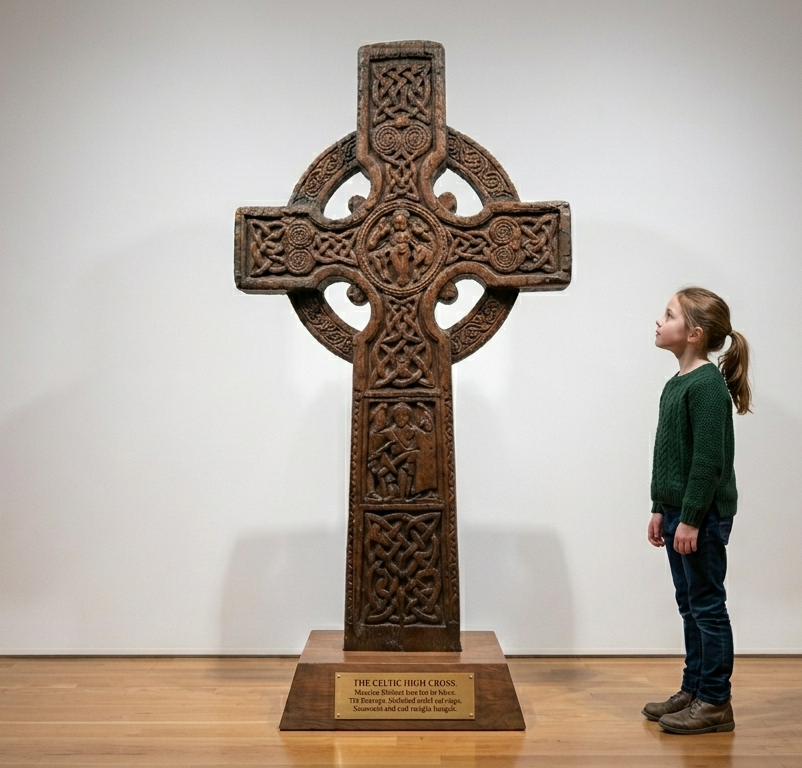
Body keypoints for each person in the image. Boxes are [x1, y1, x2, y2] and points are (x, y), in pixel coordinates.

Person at [643, 286, 752, 735]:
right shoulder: (677, 383)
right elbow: (668, 454)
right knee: (689, 605)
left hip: (700, 517)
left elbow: (707, 463)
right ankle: (693, 688)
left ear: (694, 333)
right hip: (677, 512)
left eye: (668, 315)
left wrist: (689, 518)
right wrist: (658, 507)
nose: (658, 321)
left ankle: (715, 702)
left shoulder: (707, 387)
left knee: (707, 606)